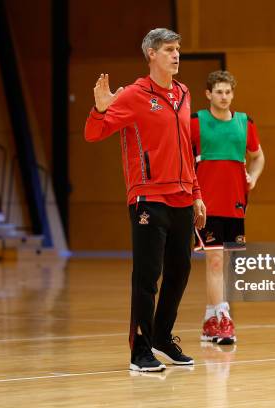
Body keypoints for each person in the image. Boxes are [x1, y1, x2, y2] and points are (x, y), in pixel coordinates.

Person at [84, 28, 206, 372]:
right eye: (169, 49)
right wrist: (100, 107)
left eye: (178, 49)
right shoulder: (134, 95)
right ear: (151, 54)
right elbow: (93, 133)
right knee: (147, 276)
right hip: (148, 197)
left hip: (183, 197)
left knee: (180, 271)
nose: (176, 55)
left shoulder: (183, 93)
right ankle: (140, 350)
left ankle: (162, 337)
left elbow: (186, 147)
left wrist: (196, 193)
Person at [191, 71, 264, 344]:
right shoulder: (195, 122)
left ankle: (210, 317)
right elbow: (183, 159)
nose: (224, 97)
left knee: (225, 261)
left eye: (228, 92)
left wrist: (253, 177)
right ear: (208, 94)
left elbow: (258, 156)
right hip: (205, 204)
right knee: (215, 259)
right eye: (219, 92)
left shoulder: (245, 123)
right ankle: (222, 316)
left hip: (235, 202)